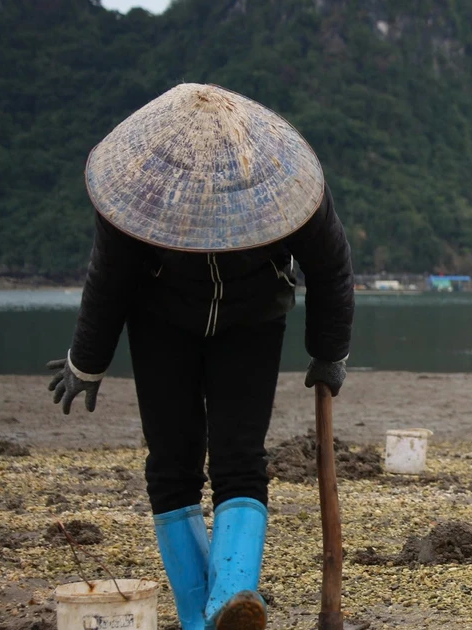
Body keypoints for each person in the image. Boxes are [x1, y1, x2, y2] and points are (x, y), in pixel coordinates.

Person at [45, 83, 354, 630]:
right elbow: (109, 279)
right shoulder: (138, 188)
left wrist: (328, 352)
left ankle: (232, 598)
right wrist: (86, 362)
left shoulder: (286, 183)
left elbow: (330, 268)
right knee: (170, 463)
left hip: (252, 321)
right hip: (161, 321)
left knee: (240, 456)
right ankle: (199, 618)